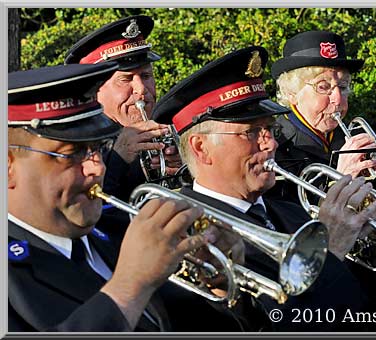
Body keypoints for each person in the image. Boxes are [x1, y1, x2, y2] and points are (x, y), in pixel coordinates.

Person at [153, 46, 376, 331]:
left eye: (269, 129)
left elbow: (373, 315)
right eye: (251, 133)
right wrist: (329, 252)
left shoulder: (294, 215)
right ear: (201, 148)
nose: (270, 144)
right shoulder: (186, 238)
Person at [8, 63, 246, 332]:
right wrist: (130, 285)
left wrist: (218, 286)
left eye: (97, 148)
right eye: (71, 153)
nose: (97, 167)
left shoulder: (119, 234)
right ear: (8, 166)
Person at [65, 15, 184, 201]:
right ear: (95, 90)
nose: (142, 90)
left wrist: (183, 169)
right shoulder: (74, 144)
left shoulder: (171, 124)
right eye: (126, 79)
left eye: (146, 76)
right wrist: (118, 159)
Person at [268, 30, 376, 202]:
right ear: (291, 93)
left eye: (343, 87)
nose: (338, 99)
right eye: (323, 87)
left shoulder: (350, 138)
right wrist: (340, 179)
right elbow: (289, 219)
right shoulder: (273, 147)